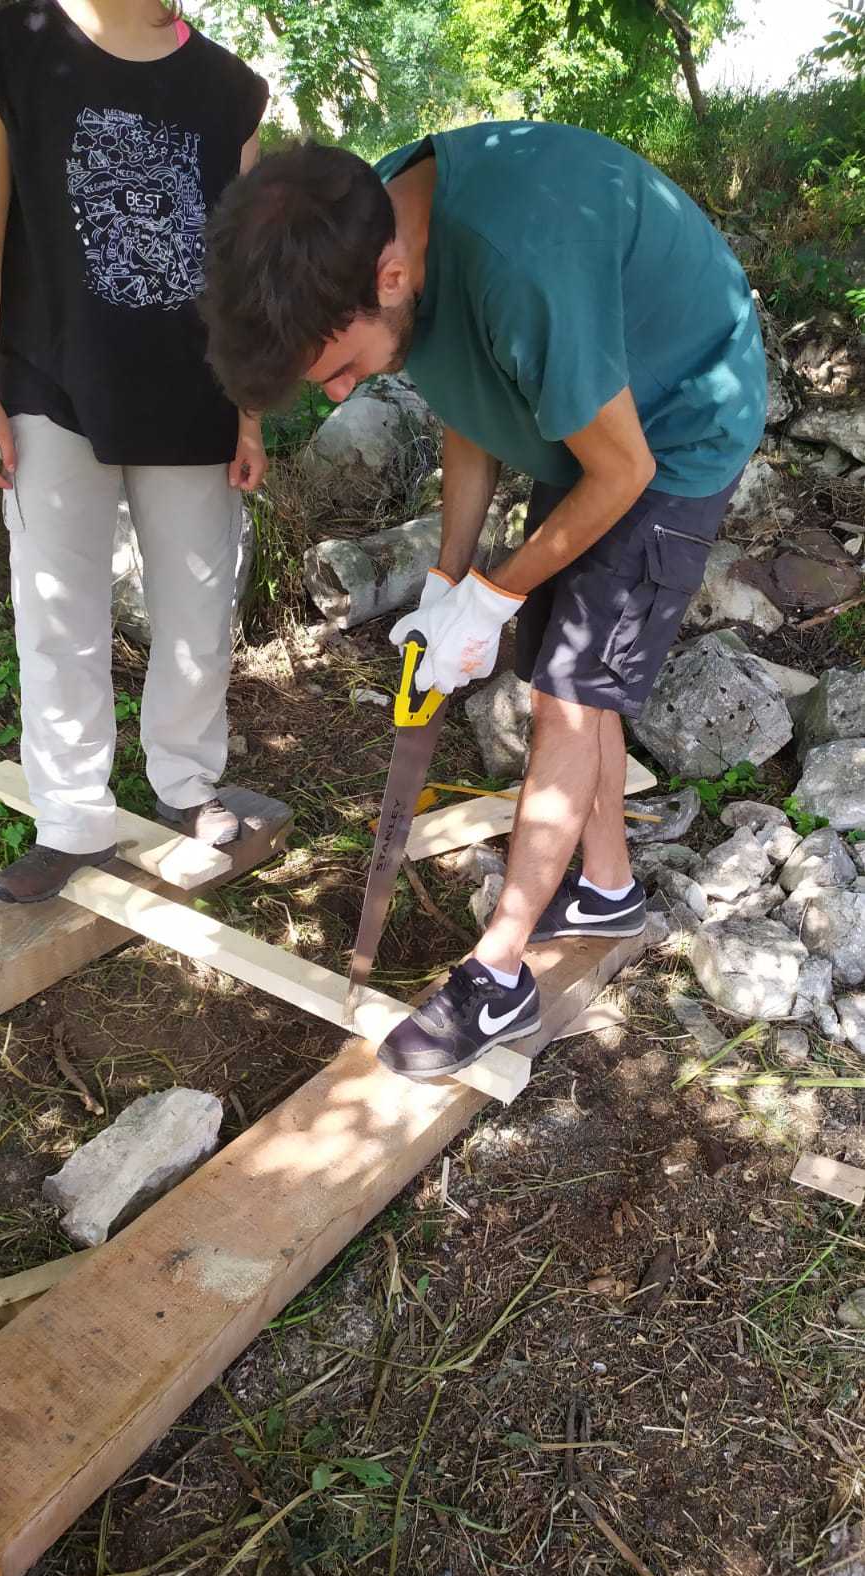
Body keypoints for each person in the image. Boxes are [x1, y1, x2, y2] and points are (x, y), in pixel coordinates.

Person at [201, 123, 767, 1078]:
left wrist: (497, 593)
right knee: (560, 665)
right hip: (594, 412)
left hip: (672, 427)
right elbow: (470, 402)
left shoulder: (519, 267)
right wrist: (450, 580)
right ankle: (609, 889)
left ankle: (499, 978)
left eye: (337, 368)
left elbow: (621, 471)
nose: (336, 394)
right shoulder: (367, 223)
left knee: (570, 692)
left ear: (391, 277)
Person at [0, 0, 269, 903]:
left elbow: (245, 277)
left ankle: (187, 782)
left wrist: (250, 414)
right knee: (56, 614)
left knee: (198, 610)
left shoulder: (229, 88)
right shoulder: (9, 44)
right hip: (51, 382)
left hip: (197, 394)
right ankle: (70, 820)